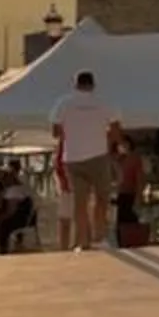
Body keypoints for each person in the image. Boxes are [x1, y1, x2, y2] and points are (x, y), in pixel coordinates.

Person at [55, 68, 115, 250]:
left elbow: (56, 131)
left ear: (76, 85)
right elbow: (115, 125)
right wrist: (111, 142)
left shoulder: (63, 103)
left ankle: (83, 241)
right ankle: (100, 236)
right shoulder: (103, 102)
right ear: (93, 85)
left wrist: (73, 135)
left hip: (72, 158)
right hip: (97, 155)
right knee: (102, 197)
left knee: (79, 202)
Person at [110, 122, 148, 247]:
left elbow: (140, 179)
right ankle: (120, 242)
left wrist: (139, 196)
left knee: (130, 221)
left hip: (130, 194)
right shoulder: (116, 160)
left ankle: (131, 242)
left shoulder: (134, 159)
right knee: (119, 223)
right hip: (118, 194)